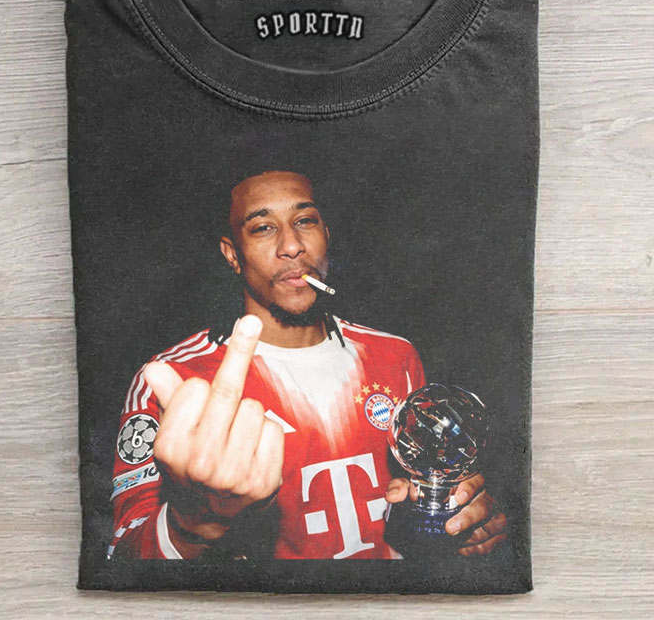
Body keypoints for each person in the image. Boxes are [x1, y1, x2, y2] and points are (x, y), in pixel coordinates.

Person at [108, 169, 507, 560]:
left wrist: (461, 517)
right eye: (262, 228)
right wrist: (197, 523)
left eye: (304, 221)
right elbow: (122, 555)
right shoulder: (174, 380)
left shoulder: (395, 354)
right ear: (232, 255)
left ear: (326, 235)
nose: (292, 245)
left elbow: (424, 489)